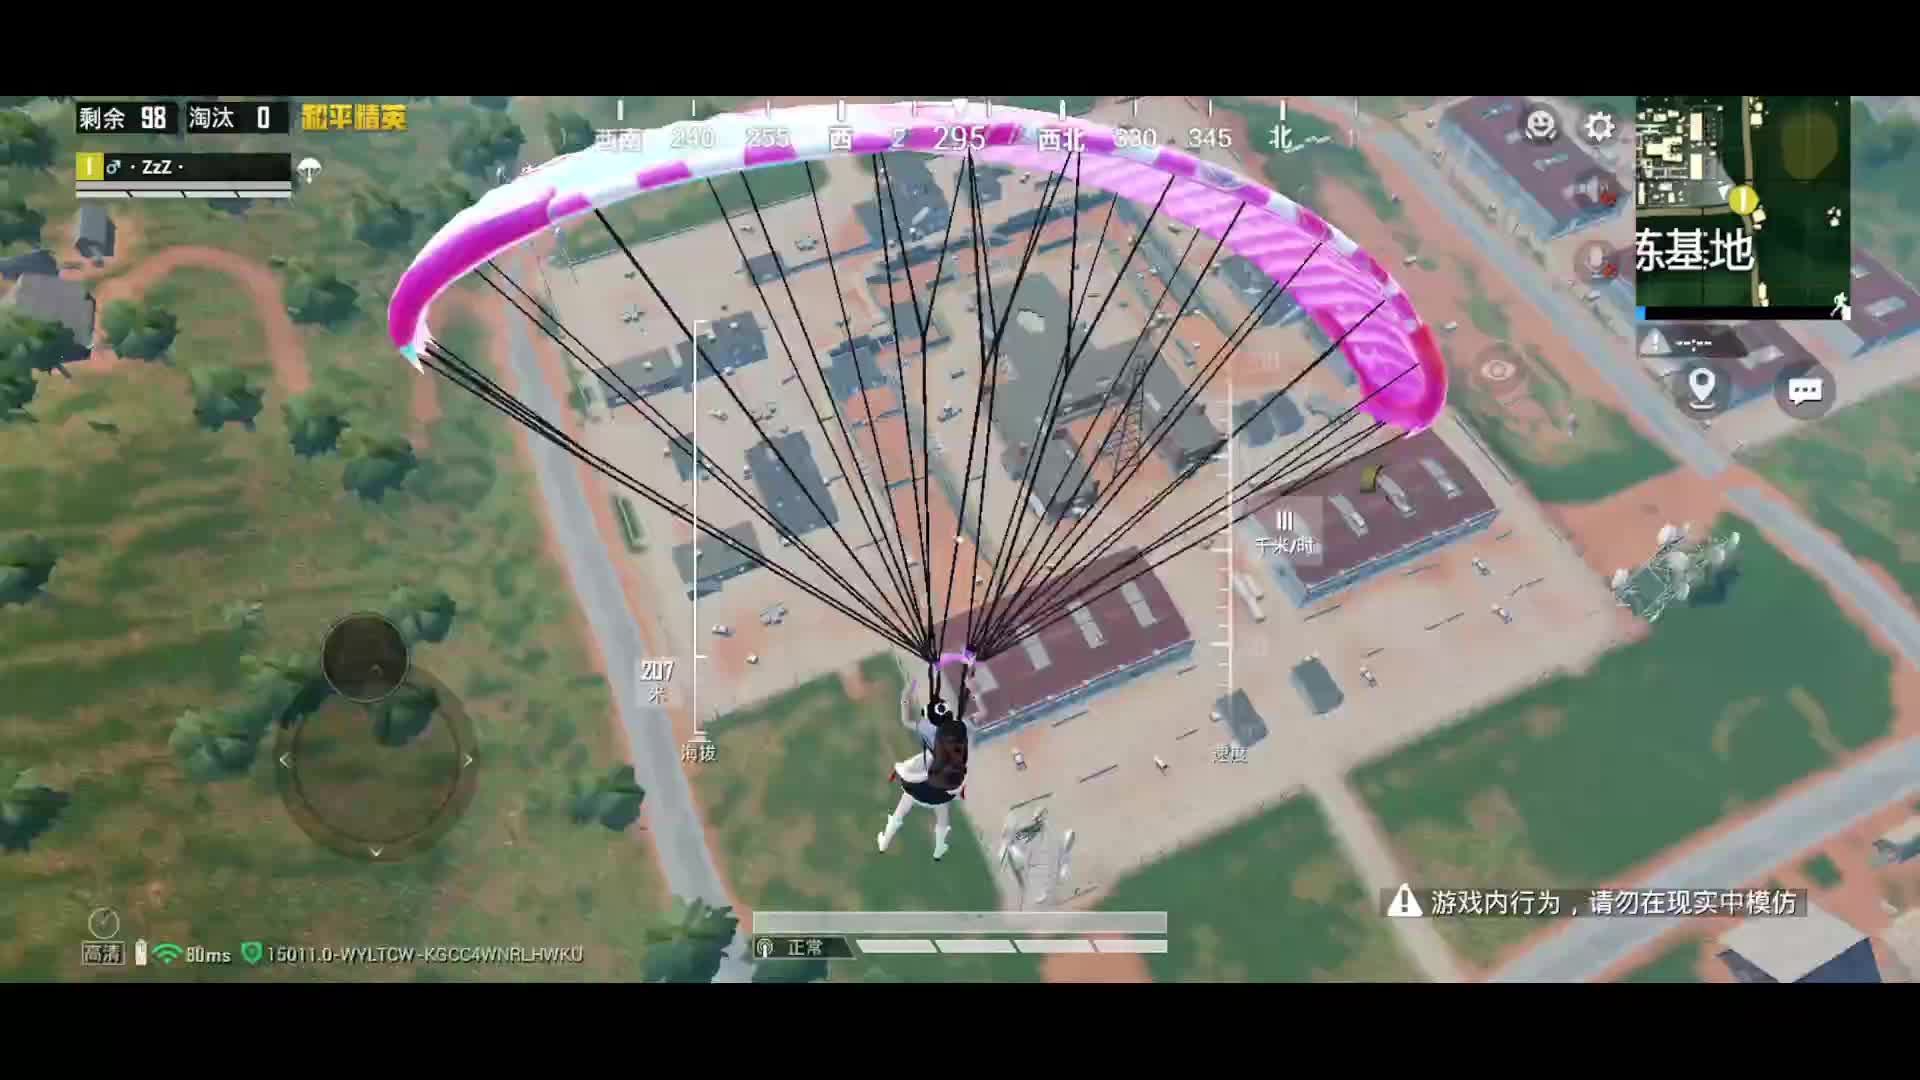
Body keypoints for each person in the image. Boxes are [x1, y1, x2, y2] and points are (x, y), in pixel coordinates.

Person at [877, 678, 970, 861]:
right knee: (942, 815)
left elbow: (906, 721)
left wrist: (905, 696)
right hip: (940, 789)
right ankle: (939, 849)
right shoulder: (955, 735)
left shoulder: (925, 727)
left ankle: (885, 841)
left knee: (901, 808)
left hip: (921, 783)